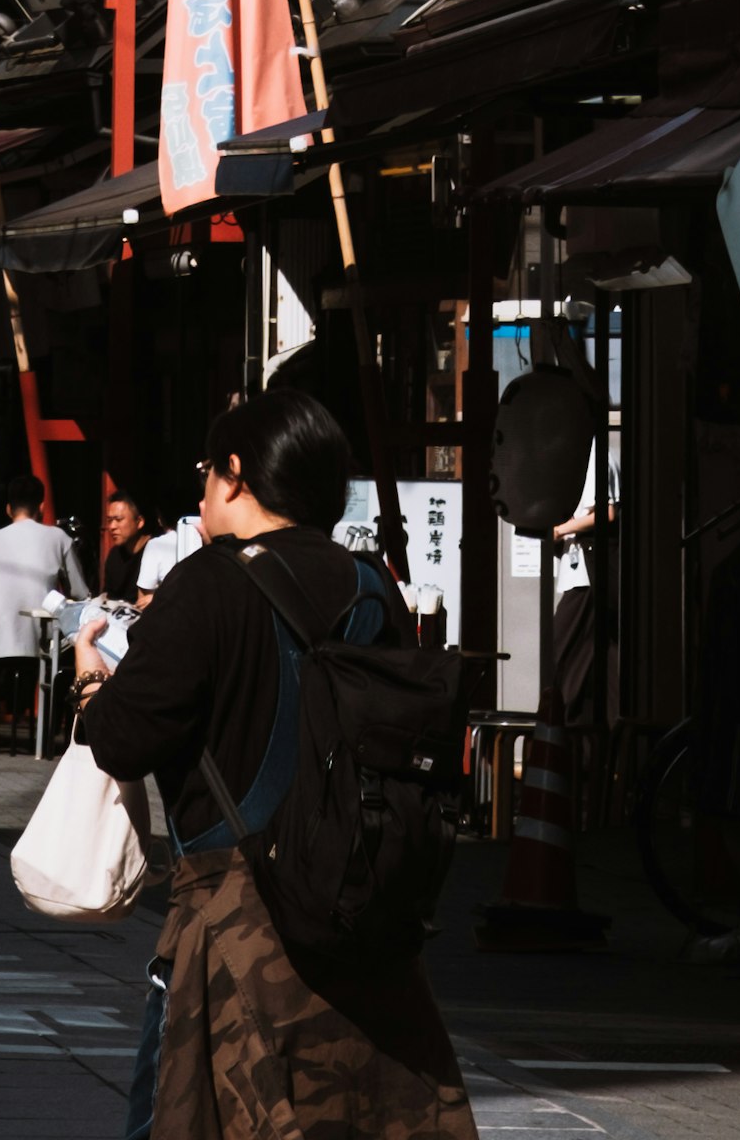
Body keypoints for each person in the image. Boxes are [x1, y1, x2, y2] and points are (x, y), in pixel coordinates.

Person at [70, 364, 474, 1140]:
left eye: (207, 473)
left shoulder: (205, 585)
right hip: (360, 910)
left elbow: (125, 737)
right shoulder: (369, 588)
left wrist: (91, 687)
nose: (200, 493)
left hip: (237, 915)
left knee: (186, 1114)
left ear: (237, 476)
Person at [0, 469, 90, 742]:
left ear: (8, 509)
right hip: (43, 647)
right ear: (41, 507)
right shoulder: (59, 539)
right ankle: (51, 735)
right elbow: (80, 593)